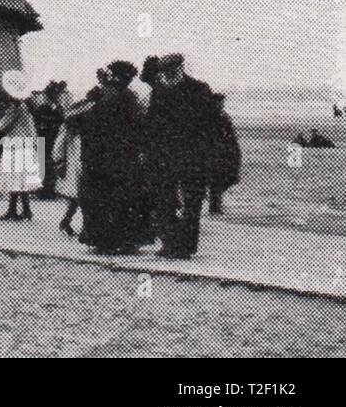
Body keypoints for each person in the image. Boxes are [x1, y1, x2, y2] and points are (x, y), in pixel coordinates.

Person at [144, 53, 224, 259]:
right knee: (164, 200)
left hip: (193, 157)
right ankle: (170, 243)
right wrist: (149, 151)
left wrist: (209, 153)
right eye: (165, 72)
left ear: (180, 68)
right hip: (164, 157)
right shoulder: (159, 92)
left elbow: (211, 124)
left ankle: (186, 246)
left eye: (172, 71)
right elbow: (152, 125)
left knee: (192, 203)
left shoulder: (199, 89)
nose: (168, 75)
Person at [78, 61, 149, 254]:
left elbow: (87, 122)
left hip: (103, 157)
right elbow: (139, 128)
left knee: (102, 199)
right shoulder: (129, 98)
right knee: (123, 201)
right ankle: (122, 240)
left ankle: (105, 240)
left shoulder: (107, 98)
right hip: (123, 158)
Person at [0, 71, 43, 221]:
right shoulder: (24, 108)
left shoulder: (15, 108)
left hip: (15, 145)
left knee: (15, 178)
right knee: (21, 179)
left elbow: (2, 127)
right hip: (25, 145)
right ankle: (24, 210)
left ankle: (13, 210)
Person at [51, 87, 95, 237]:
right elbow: (58, 145)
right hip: (74, 164)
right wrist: (59, 162)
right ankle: (82, 226)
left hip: (81, 163)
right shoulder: (69, 128)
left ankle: (67, 221)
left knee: (78, 196)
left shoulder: (82, 128)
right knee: (81, 196)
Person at [208, 92, 241, 213]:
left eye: (221, 103)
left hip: (226, 151)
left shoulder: (224, 116)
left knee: (229, 178)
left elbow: (230, 134)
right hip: (215, 152)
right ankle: (215, 207)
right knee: (217, 180)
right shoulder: (210, 117)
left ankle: (215, 204)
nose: (221, 105)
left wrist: (234, 148)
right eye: (218, 103)